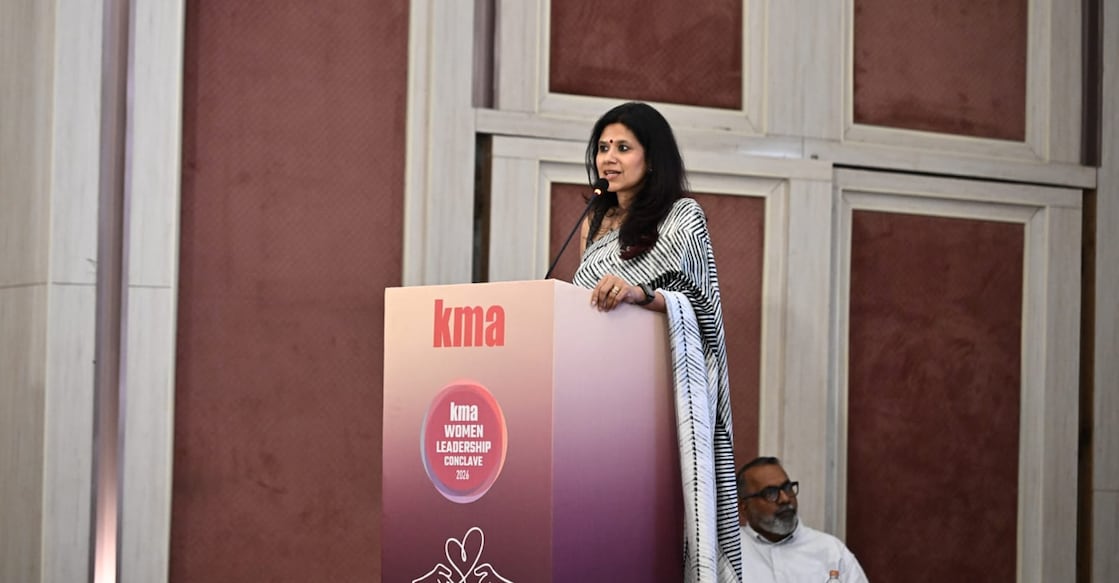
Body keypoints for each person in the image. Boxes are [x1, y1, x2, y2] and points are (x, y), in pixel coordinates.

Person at [571, 101, 741, 583]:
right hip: (596, 393)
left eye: (623, 148)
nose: (609, 158)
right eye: (603, 147)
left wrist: (639, 294)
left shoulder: (682, 215)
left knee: (650, 526)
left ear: (652, 157)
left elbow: (701, 304)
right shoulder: (594, 221)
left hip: (655, 394)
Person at [737, 456, 869, 583]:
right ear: (744, 507)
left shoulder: (832, 552)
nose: (785, 499)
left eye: (787, 488)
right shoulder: (730, 553)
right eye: (770, 493)